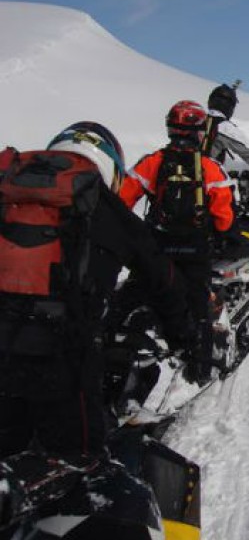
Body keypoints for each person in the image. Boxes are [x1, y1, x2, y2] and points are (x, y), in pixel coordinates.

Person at [0, 122, 194, 464]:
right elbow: (163, 281)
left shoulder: (8, 193)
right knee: (80, 463)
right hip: (63, 361)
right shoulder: (107, 208)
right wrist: (183, 337)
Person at [118, 100, 235, 385]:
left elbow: (121, 201)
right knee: (199, 305)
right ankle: (201, 367)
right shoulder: (210, 168)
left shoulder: (152, 162)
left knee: (141, 291)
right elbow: (224, 219)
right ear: (199, 132)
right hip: (195, 250)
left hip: (156, 247)